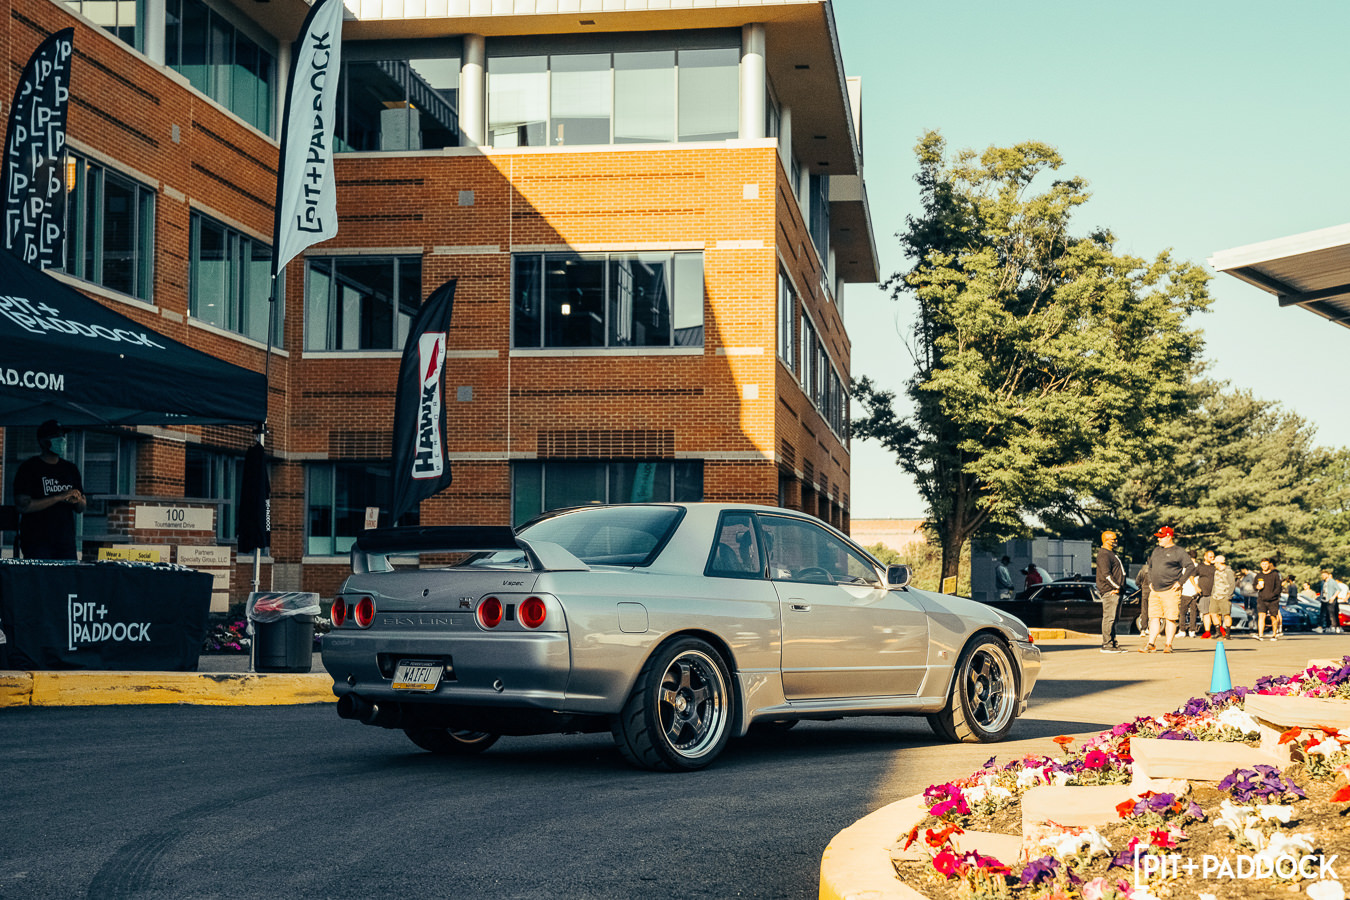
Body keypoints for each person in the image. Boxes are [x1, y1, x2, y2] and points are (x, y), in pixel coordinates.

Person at [14, 420, 87, 560]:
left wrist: (78, 500)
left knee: (68, 574)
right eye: (57, 437)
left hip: (65, 541)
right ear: (43, 442)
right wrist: (59, 497)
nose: (62, 441)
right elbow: (23, 506)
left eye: (63, 437)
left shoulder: (70, 469)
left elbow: (81, 508)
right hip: (37, 541)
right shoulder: (29, 468)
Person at [1141, 526, 1196, 653]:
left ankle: (1168, 645)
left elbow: (1190, 567)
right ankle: (1151, 644)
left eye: (1161, 537)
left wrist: (1180, 582)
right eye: (1158, 537)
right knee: (1154, 617)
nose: (1158, 539)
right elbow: (1150, 567)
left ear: (1169, 537)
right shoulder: (1156, 550)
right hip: (1155, 590)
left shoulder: (1178, 551)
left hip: (1171, 590)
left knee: (1170, 618)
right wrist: (1150, 581)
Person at [1096, 530, 1127, 653]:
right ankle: (1107, 644)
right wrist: (1117, 587)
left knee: (1114, 618)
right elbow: (1106, 574)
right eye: (1113, 539)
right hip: (1110, 591)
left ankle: (1113, 643)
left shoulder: (1111, 553)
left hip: (1117, 591)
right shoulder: (1104, 554)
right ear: (1105, 540)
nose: (1116, 541)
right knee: (1109, 618)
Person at [1253, 558, 1282, 641]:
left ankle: (1274, 634)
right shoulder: (1259, 575)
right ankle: (1260, 635)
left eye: (1266, 564)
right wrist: (1257, 587)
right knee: (1261, 616)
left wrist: (1273, 595)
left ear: (1269, 564)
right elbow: (1254, 586)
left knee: (1273, 617)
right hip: (1262, 599)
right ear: (1260, 565)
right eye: (1263, 564)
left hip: (1273, 600)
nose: (1264, 566)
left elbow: (1278, 587)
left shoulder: (1275, 575)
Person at [1209, 555, 1236, 639]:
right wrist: (1212, 593)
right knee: (1213, 613)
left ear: (1219, 563)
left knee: (1226, 614)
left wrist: (1229, 595)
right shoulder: (1216, 571)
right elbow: (1215, 584)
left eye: (1215, 563)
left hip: (1224, 596)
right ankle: (1218, 631)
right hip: (1215, 596)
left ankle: (1227, 633)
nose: (1214, 565)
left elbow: (1232, 584)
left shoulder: (1228, 571)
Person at [1195, 550, 1217, 638]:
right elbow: (1191, 576)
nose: (1212, 558)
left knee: (1215, 613)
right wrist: (1196, 586)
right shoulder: (1200, 566)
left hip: (1215, 593)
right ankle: (1207, 632)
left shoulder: (1215, 566)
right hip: (1204, 593)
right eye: (1210, 556)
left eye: (1213, 556)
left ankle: (1220, 630)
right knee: (1206, 613)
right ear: (1205, 557)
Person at [1178, 553, 1201, 637]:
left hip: (1186, 591)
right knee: (1193, 612)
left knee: (1183, 612)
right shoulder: (1198, 566)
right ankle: (1192, 630)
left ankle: (1182, 630)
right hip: (1194, 592)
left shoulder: (1185, 567)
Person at [1321, 568, 1349, 635]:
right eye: (1322, 575)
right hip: (1325, 600)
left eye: (1324, 575)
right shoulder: (1323, 582)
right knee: (1326, 614)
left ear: (1327, 575)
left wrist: (1333, 597)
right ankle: (1328, 626)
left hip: (1332, 600)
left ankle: (1334, 626)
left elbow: (1338, 589)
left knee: (1332, 614)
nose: (1323, 576)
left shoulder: (1332, 582)